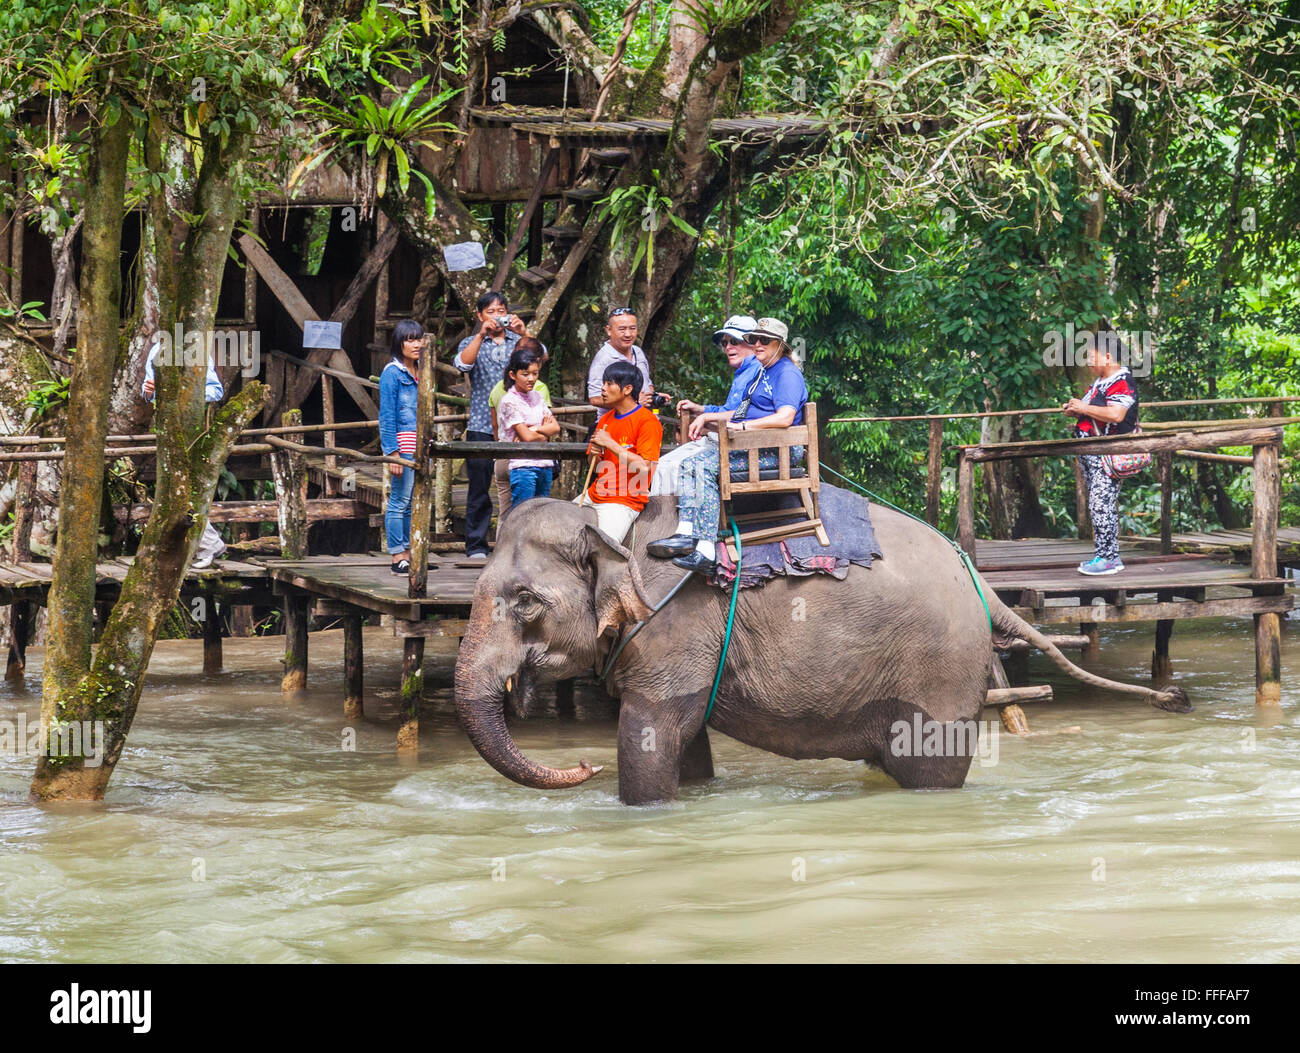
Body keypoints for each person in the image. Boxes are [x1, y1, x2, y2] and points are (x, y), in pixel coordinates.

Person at [648, 317, 808, 575]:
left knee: (703, 466)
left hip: (778, 450)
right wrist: (706, 415)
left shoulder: (787, 373)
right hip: (755, 444)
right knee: (691, 463)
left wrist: (744, 428)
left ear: (780, 345)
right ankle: (687, 533)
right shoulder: (761, 373)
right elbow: (739, 412)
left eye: (764, 340)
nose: (757, 344)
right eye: (753, 338)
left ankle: (707, 550)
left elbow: (785, 417)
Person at [455, 291, 536, 558]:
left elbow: (538, 361)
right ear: (480, 316)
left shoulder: (518, 342)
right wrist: (480, 334)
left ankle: (514, 545)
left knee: (517, 482)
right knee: (479, 485)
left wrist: (523, 332)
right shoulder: (471, 341)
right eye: (490, 311)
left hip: (517, 427)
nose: (496, 316)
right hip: (481, 423)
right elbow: (463, 365)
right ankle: (476, 546)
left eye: (500, 311)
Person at [141, 340, 228, 569]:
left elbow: (215, 390)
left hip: (192, 430)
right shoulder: (156, 350)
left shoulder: (196, 352)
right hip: (166, 428)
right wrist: (148, 392)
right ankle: (204, 544)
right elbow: (148, 389)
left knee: (184, 488)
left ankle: (208, 544)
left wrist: (183, 396)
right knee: (173, 489)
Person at [651, 314, 760, 496]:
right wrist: (701, 409)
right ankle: (666, 518)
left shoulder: (757, 370)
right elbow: (728, 410)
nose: (728, 347)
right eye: (725, 343)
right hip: (726, 438)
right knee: (664, 464)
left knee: (675, 466)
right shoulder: (743, 372)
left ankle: (680, 517)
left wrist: (705, 417)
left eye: (734, 341)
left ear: (752, 342)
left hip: (741, 443)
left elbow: (745, 413)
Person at [1063, 337, 1139, 576]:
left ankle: (1108, 559)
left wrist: (1083, 408)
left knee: (1101, 504)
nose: (1088, 362)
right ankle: (1108, 556)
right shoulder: (1100, 382)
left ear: (1107, 357)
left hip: (1108, 455)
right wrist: (1074, 409)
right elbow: (1092, 413)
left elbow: (1116, 415)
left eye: (1091, 356)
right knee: (1101, 505)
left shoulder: (1122, 382)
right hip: (1092, 455)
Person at [574, 360, 663, 544]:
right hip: (593, 494)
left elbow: (646, 467)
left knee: (603, 549)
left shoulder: (647, 421)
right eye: (603, 383)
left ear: (627, 389)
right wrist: (595, 453)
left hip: (624, 501)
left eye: (609, 383)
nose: (603, 389)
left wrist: (610, 443)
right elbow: (595, 466)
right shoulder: (605, 419)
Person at [378, 319, 425, 574]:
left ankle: (409, 553)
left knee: (412, 500)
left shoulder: (421, 371)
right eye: (410, 339)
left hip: (420, 444)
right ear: (399, 343)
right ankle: (398, 556)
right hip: (403, 445)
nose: (416, 344)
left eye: (418, 338)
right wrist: (392, 453)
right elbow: (386, 415)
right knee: (399, 499)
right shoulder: (392, 373)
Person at [489, 340, 552, 518]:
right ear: (514, 373)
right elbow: (528, 436)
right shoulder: (510, 399)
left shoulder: (537, 395)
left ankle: (505, 545)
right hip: (519, 461)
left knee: (510, 514)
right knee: (519, 516)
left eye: (534, 373)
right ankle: (510, 546)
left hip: (514, 454)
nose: (531, 378)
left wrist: (534, 429)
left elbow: (554, 426)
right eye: (526, 374)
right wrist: (542, 433)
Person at [586, 307, 665, 410]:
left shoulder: (637, 352)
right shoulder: (603, 359)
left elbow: (647, 385)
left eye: (632, 328)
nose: (628, 334)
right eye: (622, 329)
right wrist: (633, 403)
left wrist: (654, 396)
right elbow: (595, 398)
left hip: (643, 419)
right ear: (609, 330)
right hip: (617, 422)